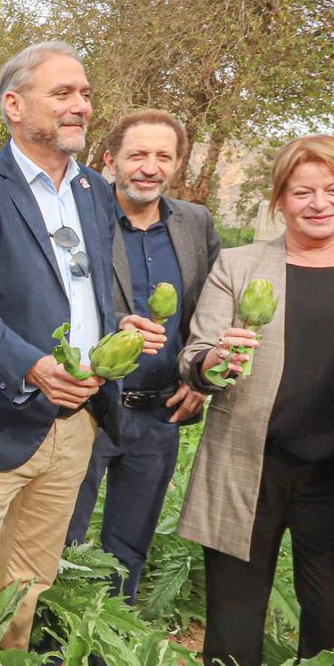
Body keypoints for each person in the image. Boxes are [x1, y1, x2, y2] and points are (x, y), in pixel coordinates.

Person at [0, 41, 163, 657]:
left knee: (28, 584)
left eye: (83, 93)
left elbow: (86, 290)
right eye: (63, 94)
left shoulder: (94, 195)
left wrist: (120, 330)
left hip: (75, 421)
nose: (81, 105)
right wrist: (32, 365)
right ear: (15, 105)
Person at [177, 134, 334, 666]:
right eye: (302, 191)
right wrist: (211, 363)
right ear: (279, 199)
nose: (318, 203)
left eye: (333, 189)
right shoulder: (241, 264)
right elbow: (195, 357)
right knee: (233, 615)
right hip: (250, 463)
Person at [64, 110, 222, 603]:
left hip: (159, 411)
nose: (149, 167)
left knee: (130, 543)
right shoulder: (80, 221)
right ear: (111, 160)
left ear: (176, 164)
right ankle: (50, 648)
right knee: (64, 536)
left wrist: (199, 380)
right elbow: (58, 301)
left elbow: (208, 312)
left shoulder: (195, 224)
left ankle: (111, 646)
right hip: (87, 406)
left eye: (162, 156)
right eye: (137, 155)